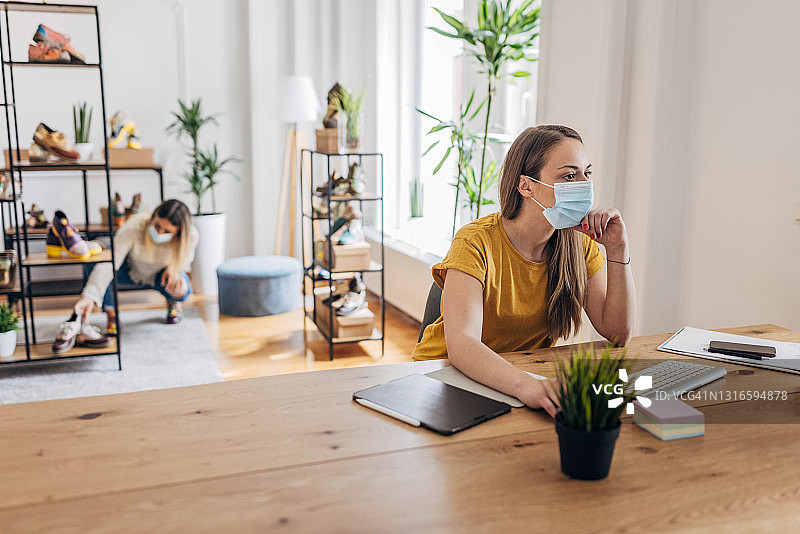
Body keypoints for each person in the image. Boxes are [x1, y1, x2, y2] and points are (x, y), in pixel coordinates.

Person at [411, 125, 636, 417]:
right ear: (526, 185)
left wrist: (618, 249)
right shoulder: (475, 242)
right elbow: (462, 346)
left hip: (514, 379)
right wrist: (527, 387)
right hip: (442, 379)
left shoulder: (578, 245)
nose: (583, 184)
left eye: (586, 174)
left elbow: (618, 332)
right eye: (569, 175)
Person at [75, 198, 198, 334]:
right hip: (130, 270)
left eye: (167, 231)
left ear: (178, 232)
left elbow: (185, 261)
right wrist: (90, 296)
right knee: (96, 262)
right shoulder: (134, 226)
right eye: (157, 226)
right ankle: (112, 314)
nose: (159, 233)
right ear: (153, 216)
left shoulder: (191, 235)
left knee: (182, 289)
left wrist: (174, 269)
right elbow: (110, 262)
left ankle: (173, 302)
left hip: (161, 276)